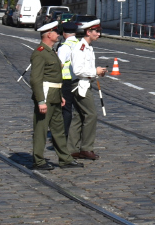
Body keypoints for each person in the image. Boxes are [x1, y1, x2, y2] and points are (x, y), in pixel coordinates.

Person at [30, 21, 79, 170]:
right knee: (41, 129)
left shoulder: (51, 51)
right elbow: (35, 79)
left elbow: (55, 77)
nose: (58, 34)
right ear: (48, 35)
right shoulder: (40, 53)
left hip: (55, 95)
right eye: (55, 32)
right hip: (45, 96)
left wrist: (60, 95)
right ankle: (38, 160)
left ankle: (65, 159)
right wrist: (40, 101)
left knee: (58, 129)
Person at [68, 19, 107, 160]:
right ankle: (86, 148)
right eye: (96, 31)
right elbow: (78, 70)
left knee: (79, 116)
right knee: (91, 115)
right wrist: (95, 71)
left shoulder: (88, 47)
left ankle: (71, 148)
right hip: (80, 85)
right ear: (88, 32)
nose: (99, 34)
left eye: (99, 31)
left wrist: (98, 72)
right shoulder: (81, 48)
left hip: (84, 83)